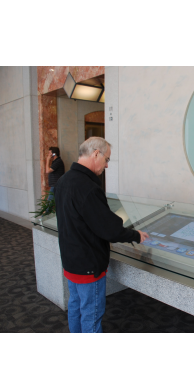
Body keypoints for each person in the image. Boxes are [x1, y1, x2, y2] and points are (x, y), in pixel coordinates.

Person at [54, 137, 149, 333]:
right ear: (96, 153)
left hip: (71, 260)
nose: (106, 165)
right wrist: (135, 235)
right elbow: (108, 228)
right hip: (88, 264)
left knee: (76, 306)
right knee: (91, 314)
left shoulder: (64, 180)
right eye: (107, 159)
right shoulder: (88, 186)